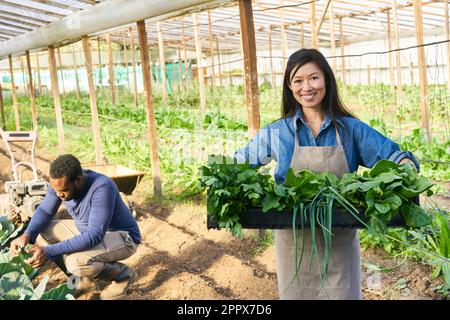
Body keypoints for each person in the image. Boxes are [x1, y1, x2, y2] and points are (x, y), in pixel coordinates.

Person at [234, 48, 418, 300]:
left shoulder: (350, 129)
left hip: (339, 246)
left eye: (313, 78)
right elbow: (240, 163)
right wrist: (223, 175)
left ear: (326, 81)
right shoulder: (279, 132)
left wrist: (406, 165)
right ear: (289, 87)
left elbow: (393, 155)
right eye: (298, 80)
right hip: (295, 248)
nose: (306, 87)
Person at [10, 154, 141, 300]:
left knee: (75, 262)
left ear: (78, 180)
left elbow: (94, 236)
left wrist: (49, 251)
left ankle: (123, 276)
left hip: (123, 238)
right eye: (56, 190)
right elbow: (45, 210)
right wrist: (26, 235)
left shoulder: (102, 187)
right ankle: (87, 282)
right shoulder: (60, 184)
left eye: (64, 191)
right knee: (43, 232)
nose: (59, 194)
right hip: (89, 232)